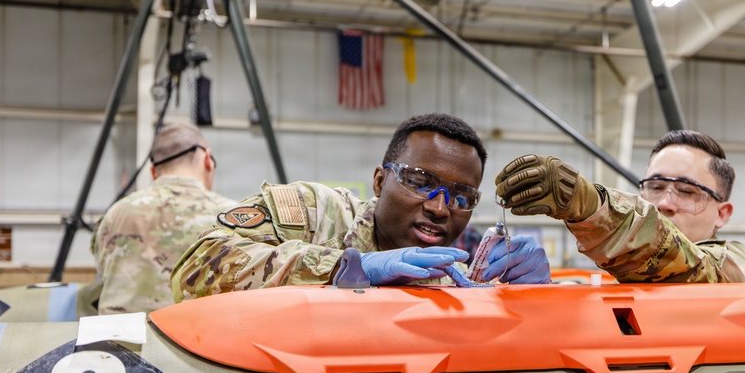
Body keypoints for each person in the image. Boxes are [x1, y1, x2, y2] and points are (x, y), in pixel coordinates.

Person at [171, 113, 550, 299]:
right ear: (380, 181)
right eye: (420, 182)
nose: (440, 208)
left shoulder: (459, 276)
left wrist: (529, 300)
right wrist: (340, 268)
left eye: (461, 196)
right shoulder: (312, 212)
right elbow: (197, 265)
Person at [495, 129, 745, 283]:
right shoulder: (623, 268)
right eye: (655, 187)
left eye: (687, 191)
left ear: (722, 214)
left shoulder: (732, 268)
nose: (665, 203)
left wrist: (591, 206)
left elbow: (685, 265)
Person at [91, 123, 234, 314]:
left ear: (153, 172)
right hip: (189, 341)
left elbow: (103, 274)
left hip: (118, 341)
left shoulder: (115, 214)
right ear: (208, 160)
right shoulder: (231, 217)